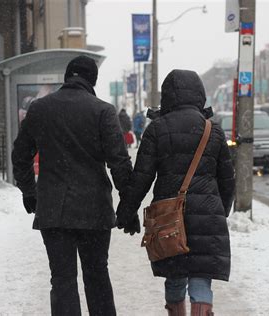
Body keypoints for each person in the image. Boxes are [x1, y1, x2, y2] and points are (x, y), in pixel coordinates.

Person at [12, 55, 133, 316]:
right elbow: (119, 162)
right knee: (97, 276)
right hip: (94, 211)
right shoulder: (102, 111)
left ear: (67, 77)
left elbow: (20, 155)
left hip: (54, 210)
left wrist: (29, 191)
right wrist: (129, 205)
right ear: (93, 81)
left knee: (62, 280)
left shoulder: (40, 109)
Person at [116, 69, 235, 316]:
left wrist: (127, 211)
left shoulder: (157, 129)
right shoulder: (212, 130)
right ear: (199, 95)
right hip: (207, 216)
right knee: (201, 277)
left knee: (175, 274)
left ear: (168, 96)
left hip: (168, 216)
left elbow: (141, 179)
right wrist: (219, 211)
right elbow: (227, 179)